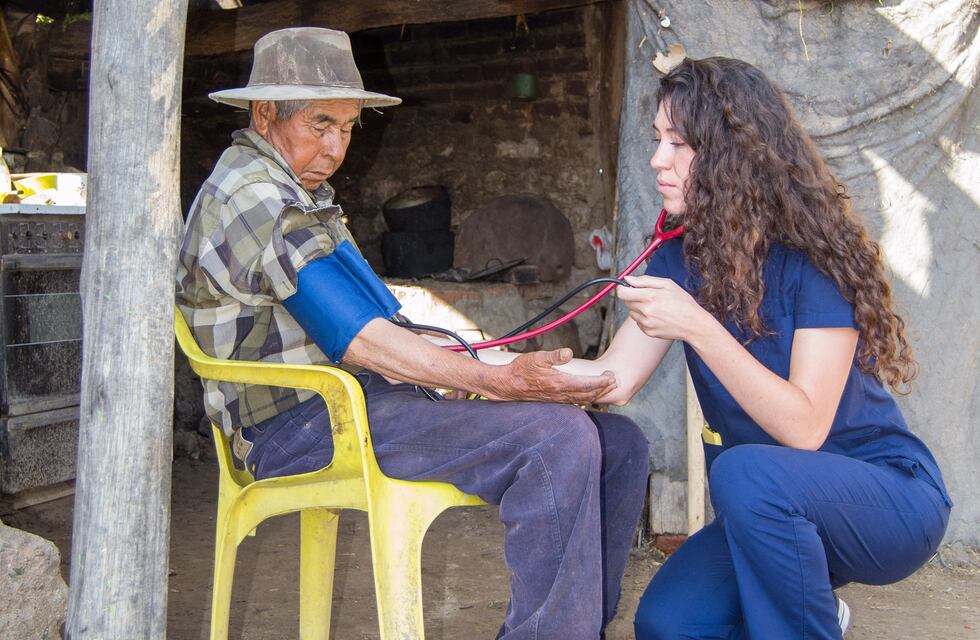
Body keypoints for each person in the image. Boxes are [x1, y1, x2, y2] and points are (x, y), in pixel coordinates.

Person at [176, 27, 649, 639]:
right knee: (555, 439)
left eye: (347, 128)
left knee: (619, 444)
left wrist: (470, 362)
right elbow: (361, 339)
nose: (335, 146)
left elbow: (379, 318)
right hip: (294, 424)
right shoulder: (256, 196)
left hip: (354, 400)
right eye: (320, 124)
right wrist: (492, 381)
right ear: (265, 114)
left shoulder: (301, 192)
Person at [552, 57, 951, 639]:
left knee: (743, 474)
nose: (657, 160)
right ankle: (813, 611)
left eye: (678, 143)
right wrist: (489, 368)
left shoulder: (813, 266)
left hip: (887, 499)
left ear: (729, 157)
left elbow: (806, 430)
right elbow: (613, 377)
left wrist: (698, 325)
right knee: (670, 624)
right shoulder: (677, 258)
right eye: (657, 139)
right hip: (773, 507)